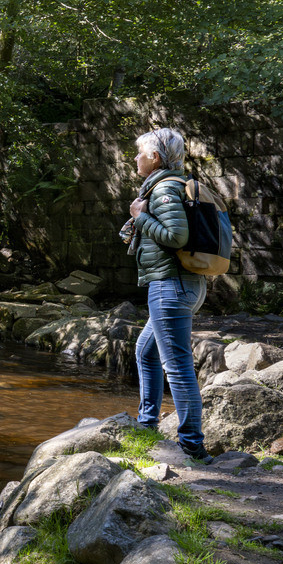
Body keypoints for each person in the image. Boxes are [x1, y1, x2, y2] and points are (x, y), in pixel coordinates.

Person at [119, 127, 210, 461]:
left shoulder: (165, 189)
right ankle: (146, 425)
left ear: (154, 157)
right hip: (182, 285)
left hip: (171, 286)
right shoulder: (170, 186)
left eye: (139, 153)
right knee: (146, 352)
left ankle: (191, 446)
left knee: (178, 366)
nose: (135, 158)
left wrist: (141, 218)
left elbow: (176, 237)